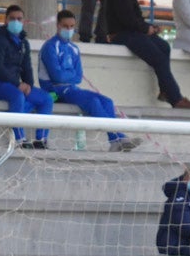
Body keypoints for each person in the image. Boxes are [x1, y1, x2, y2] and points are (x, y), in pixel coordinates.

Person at [39, 9, 141, 153]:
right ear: (58, 26)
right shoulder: (50, 46)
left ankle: (115, 140)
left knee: (108, 102)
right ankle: (118, 137)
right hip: (55, 91)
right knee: (93, 102)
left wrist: (67, 74)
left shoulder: (73, 48)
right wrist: (70, 74)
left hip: (71, 89)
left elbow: (78, 76)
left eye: (71, 26)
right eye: (65, 26)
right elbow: (57, 77)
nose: (68, 29)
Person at [104, 0, 190, 109]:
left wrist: (151, 28)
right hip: (120, 34)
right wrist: (146, 29)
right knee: (158, 58)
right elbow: (127, 19)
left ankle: (165, 91)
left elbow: (136, 17)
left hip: (132, 32)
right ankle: (176, 99)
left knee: (164, 47)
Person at [0, 5, 53, 149]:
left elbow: (27, 68)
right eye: (12, 18)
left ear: (23, 21)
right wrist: (18, 84)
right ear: (5, 20)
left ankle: (41, 140)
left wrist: (29, 85)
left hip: (13, 85)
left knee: (46, 99)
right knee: (18, 96)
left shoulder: (23, 42)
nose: (16, 21)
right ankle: (19, 139)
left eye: (19, 19)